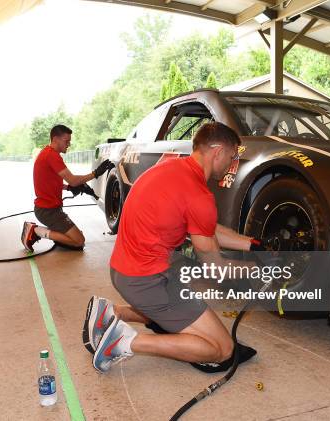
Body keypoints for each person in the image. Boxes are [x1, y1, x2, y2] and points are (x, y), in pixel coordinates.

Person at [83, 122, 262, 374]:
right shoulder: (199, 194)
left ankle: (112, 312)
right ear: (217, 151)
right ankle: (123, 343)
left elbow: (206, 226)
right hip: (148, 282)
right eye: (232, 157)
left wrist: (252, 244)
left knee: (172, 318)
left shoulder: (171, 170)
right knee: (222, 349)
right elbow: (215, 267)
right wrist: (257, 271)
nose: (232, 164)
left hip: (126, 270)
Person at [21, 125, 113, 251]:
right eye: (66, 141)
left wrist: (68, 188)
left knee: (72, 237)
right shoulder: (52, 156)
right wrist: (95, 173)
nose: (69, 144)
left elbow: (49, 182)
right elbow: (74, 180)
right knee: (79, 241)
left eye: (69, 141)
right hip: (48, 212)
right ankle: (36, 231)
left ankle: (52, 232)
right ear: (55, 139)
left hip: (48, 209)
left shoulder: (47, 154)